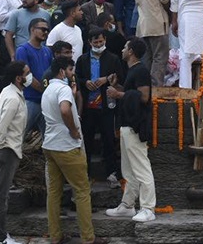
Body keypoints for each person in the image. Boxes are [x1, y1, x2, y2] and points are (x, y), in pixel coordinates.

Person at [41, 55, 105, 244]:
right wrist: (73, 130)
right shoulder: (63, 89)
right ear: (62, 71)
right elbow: (65, 110)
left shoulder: (48, 90)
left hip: (50, 145)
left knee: (54, 192)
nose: (72, 74)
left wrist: (74, 92)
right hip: (67, 146)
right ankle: (88, 238)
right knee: (82, 190)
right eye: (70, 70)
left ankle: (55, 236)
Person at [106, 37, 157, 222]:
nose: (122, 49)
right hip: (126, 124)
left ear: (131, 52)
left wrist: (118, 94)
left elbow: (143, 97)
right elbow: (131, 93)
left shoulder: (141, 70)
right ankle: (128, 205)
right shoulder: (132, 70)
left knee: (141, 168)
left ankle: (148, 207)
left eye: (125, 47)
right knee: (127, 170)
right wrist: (117, 87)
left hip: (136, 125)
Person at [0, 60, 30, 244]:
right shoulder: (13, 98)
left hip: (2, 148)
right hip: (7, 150)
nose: (30, 75)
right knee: (1, 195)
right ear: (19, 78)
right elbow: (2, 124)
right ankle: (0, 237)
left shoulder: (8, 91)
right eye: (27, 73)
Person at [77, 28, 123, 183]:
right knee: (87, 142)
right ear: (89, 43)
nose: (98, 44)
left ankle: (112, 172)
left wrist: (106, 79)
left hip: (106, 106)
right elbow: (77, 78)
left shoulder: (113, 58)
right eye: (95, 42)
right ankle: (85, 174)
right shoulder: (82, 60)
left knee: (109, 140)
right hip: (88, 107)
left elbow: (120, 77)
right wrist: (86, 82)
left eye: (101, 41)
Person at [133, 0, 171, 86]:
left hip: (143, 23)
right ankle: (156, 88)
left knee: (147, 58)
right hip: (157, 23)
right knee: (160, 57)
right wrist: (172, 14)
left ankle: (145, 87)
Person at [14, 18, 52, 133]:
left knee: (48, 136)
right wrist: (43, 89)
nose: (45, 32)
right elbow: (26, 77)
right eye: (42, 29)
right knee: (19, 134)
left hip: (45, 101)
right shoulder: (23, 50)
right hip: (30, 100)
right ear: (32, 29)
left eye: (47, 30)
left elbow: (51, 73)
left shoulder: (47, 51)